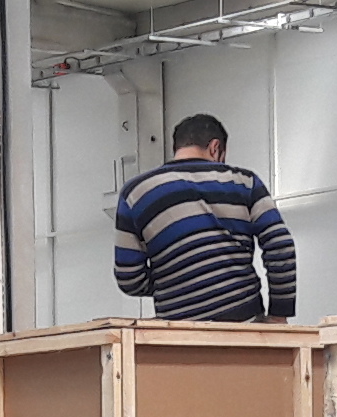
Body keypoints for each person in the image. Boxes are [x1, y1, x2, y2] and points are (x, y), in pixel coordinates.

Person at [111, 113, 296, 321]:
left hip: (177, 333)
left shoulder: (136, 193)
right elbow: (280, 245)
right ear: (215, 148)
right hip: (245, 326)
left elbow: (129, 278)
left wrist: (174, 283)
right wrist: (279, 314)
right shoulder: (244, 182)